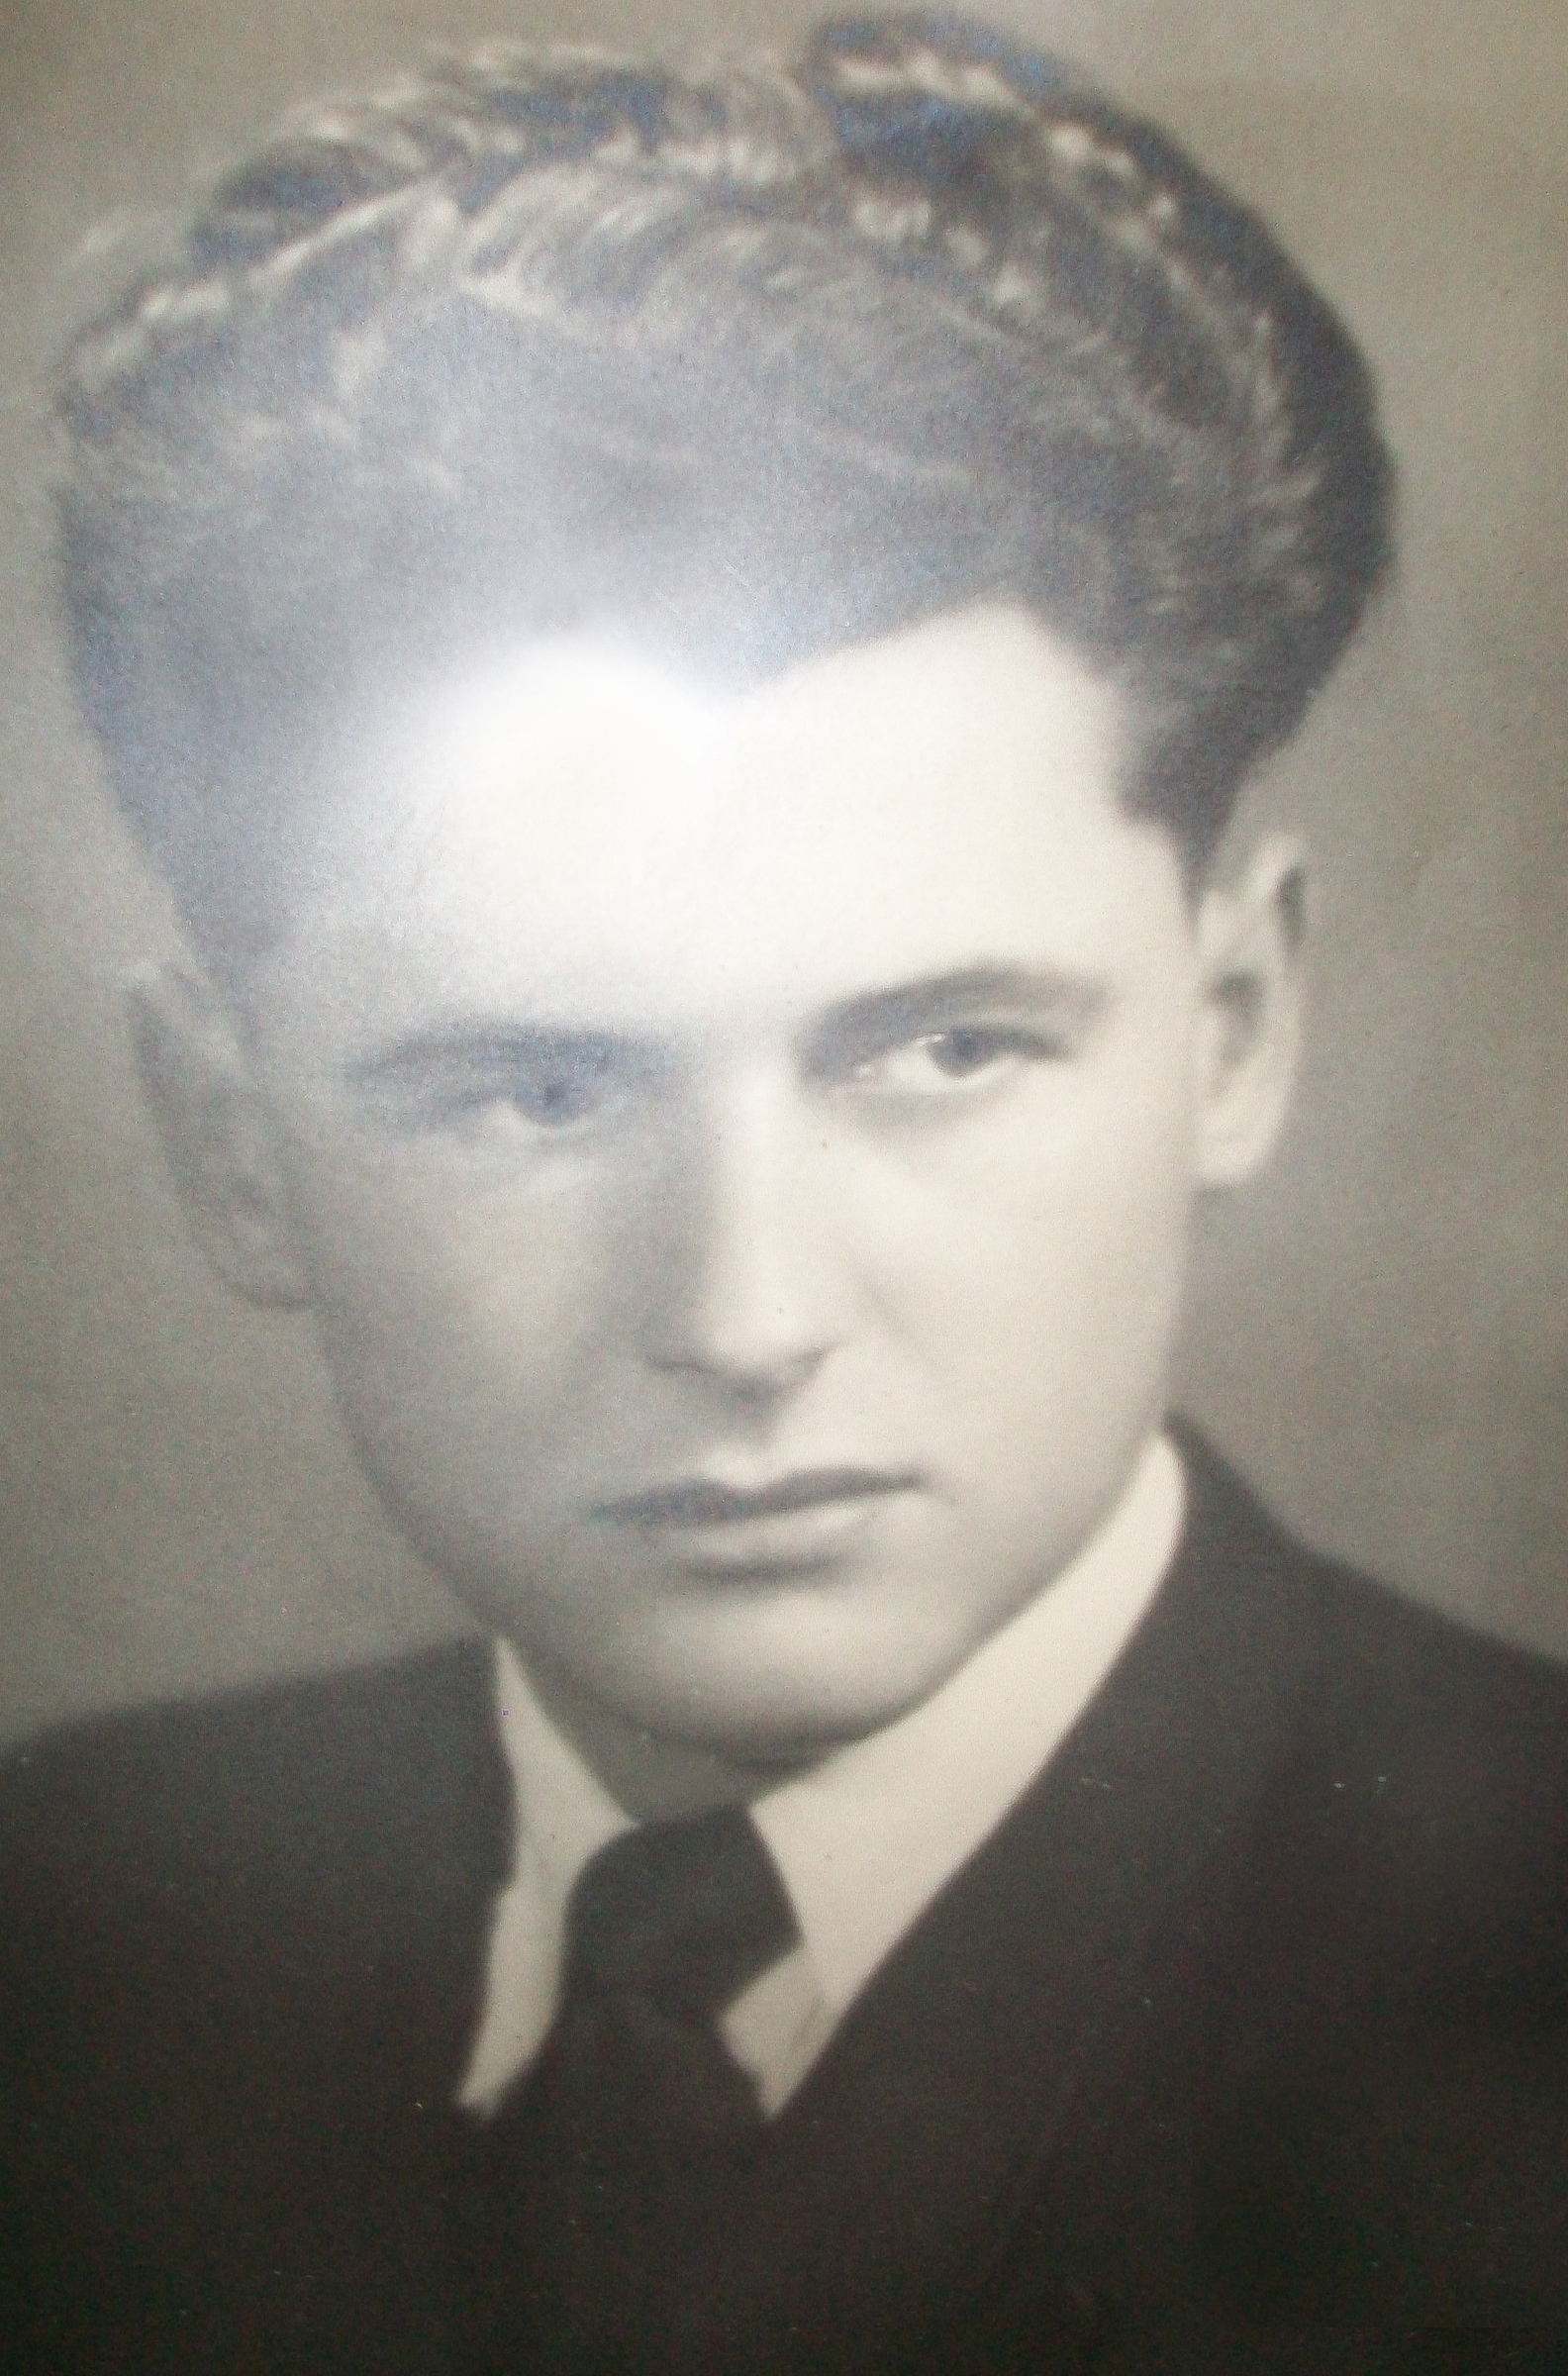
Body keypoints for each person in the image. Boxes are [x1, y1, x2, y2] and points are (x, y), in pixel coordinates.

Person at [4, 13, 1565, 2369]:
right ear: (227, 1139)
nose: (746, 1318)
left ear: (1235, 1028)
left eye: (945, 1049)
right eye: (534, 1091)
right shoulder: (62, 1933)